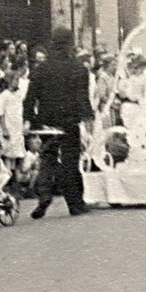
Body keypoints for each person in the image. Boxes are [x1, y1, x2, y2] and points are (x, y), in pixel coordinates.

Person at [23, 27, 92, 218]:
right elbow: (83, 98)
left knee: (47, 159)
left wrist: (28, 118)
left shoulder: (41, 68)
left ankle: (44, 194)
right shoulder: (79, 67)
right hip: (70, 121)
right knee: (70, 161)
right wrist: (87, 120)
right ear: (70, 42)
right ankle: (75, 203)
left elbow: (30, 98)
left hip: (47, 122)